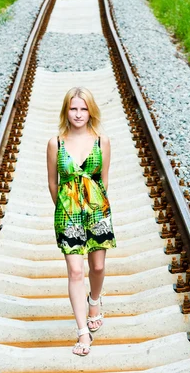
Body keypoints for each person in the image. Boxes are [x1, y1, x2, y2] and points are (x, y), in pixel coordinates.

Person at [46, 87, 116, 356]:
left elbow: (104, 180)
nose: (78, 114)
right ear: (66, 111)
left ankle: (94, 300)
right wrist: (65, 207)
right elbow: (53, 183)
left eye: (83, 108)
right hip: (68, 213)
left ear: (91, 111)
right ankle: (82, 333)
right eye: (73, 108)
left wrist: (96, 206)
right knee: (76, 272)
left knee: (97, 267)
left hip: (97, 210)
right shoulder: (56, 143)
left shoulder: (102, 141)